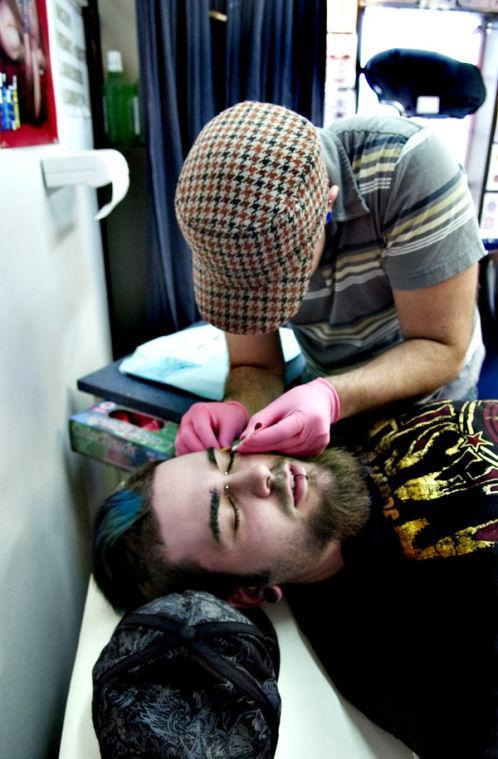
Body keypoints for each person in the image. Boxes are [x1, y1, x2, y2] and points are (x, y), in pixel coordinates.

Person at [93, 399, 498, 758]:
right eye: (231, 515)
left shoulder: (316, 438)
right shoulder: (421, 661)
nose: (260, 477)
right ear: (247, 592)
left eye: (227, 459)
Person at [174, 101, 487, 458]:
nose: (261, 299)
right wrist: (240, 406)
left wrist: (332, 397)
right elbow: (256, 364)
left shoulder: (409, 167)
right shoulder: (219, 211)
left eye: (278, 284)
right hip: (324, 388)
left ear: (328, 201)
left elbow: (440, 346)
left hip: (431, 399)